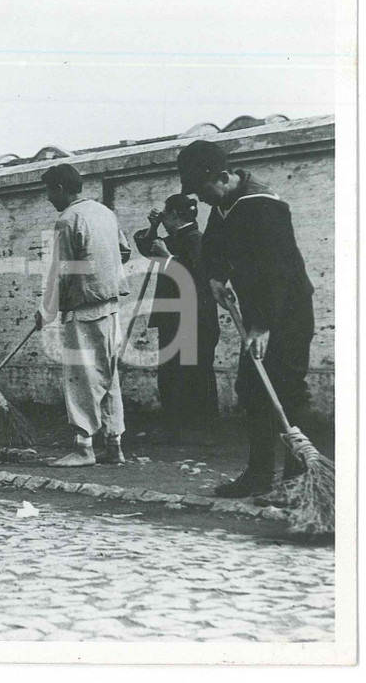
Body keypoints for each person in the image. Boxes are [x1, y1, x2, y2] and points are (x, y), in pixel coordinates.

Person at [177, 140, 315, 498]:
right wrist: (214, 277)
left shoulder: (264, 206)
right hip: (260, 312)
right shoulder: (224, 204)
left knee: (284, 390)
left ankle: (298, 481)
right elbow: (213, 247)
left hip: (287, 312)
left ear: (223, 176)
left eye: (203, 189)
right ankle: (258, 476)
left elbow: (277, 270)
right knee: (253, 390)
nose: (201, 198)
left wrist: (264, 324)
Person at [35, 164, 130, 467]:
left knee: (81, 379)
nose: (49, 198)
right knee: (109, 375)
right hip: (112, 307)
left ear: (60, 189)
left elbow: (62, 271)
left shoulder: (67, 220)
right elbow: (124, 251)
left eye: (50, 191)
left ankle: (83, 448)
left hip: (84, 309)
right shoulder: (105, 213)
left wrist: (46, 311)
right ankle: (114, 445)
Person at [133, 194, 221, 441]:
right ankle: (174, 429)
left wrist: (168, 257)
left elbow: (199, 277)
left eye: (165, 213)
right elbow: (146, 247)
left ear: (173, 215)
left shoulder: (196, 239)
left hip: (195, 320)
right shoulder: (175, 239)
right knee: (172, 374)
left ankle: (206, 431)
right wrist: (154, 226)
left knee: (198, 373)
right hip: (174, 319)